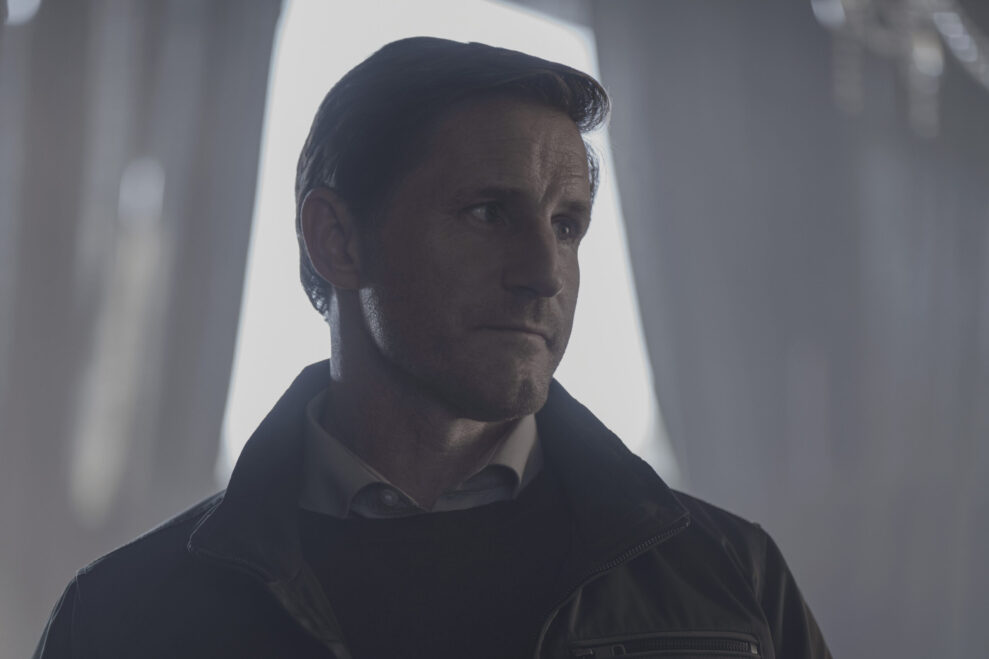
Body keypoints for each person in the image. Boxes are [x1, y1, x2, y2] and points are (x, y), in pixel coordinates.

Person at [35, 37, 832, 659]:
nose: (543, 273)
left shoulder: (730, 580)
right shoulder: (122, 616)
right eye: (488, 213)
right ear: (337, 239)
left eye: (566, 225)